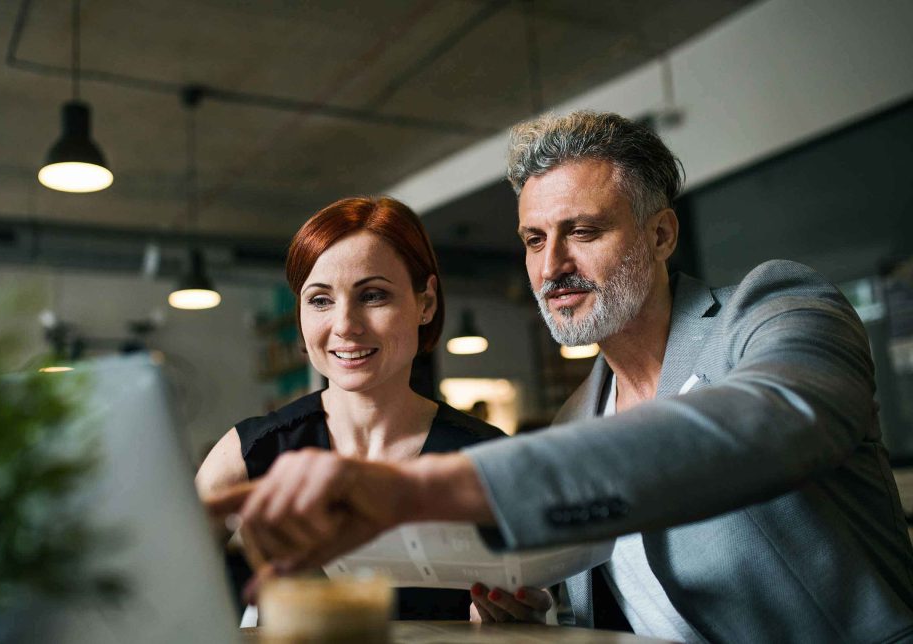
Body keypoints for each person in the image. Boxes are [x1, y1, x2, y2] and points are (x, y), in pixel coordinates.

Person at [205, 111, 913, 642]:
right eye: (535, 240)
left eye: (583, 231)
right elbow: (605, 603)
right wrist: (533, 608)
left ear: (661, 235)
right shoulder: (580, 413)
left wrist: (415, 487)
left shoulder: (776, 311)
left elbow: (768, 425)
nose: (551, 268)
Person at [195, 196, 506, 621]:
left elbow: (534, 602)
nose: (345, 325)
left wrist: (511, 622)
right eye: (320, 300)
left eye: (373, 295)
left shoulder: (487, 457)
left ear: (426, 303)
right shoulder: (248, 452)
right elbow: (157, 598)